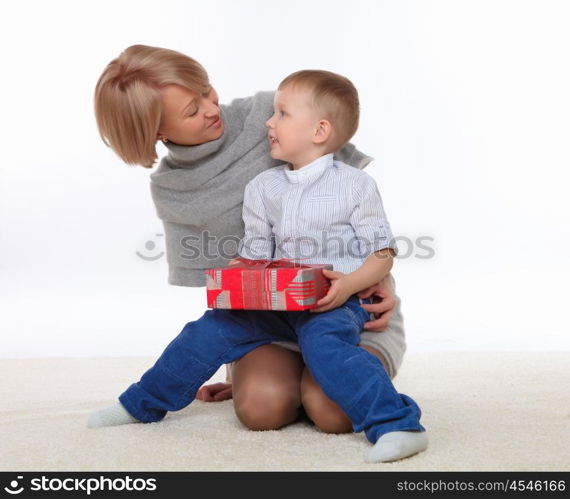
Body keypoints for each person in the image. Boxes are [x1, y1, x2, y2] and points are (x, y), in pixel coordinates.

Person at [92, 45, 406, 440]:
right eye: (192, 110)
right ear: (157, 130)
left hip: (342, 302)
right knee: (258, 404)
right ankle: (140, 403)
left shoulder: (272, 115)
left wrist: (370, 281)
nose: (211, 108)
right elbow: (241, 273)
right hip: (270, 313)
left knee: (332, 409)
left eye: (207, 90)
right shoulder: (231, 188)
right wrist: (232, 357)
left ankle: (393, 420)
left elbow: (368, 231)